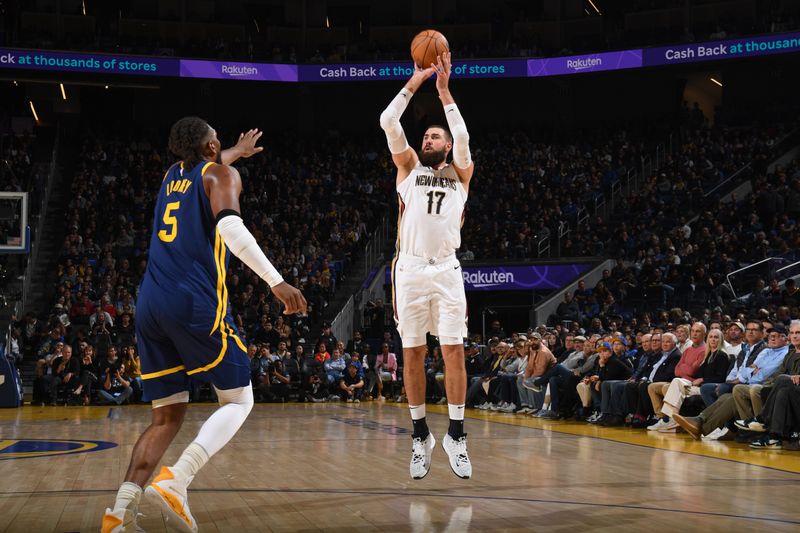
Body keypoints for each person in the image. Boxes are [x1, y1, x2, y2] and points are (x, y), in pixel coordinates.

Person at [102, 118, 307, 533]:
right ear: (210, 147)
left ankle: (118, 515)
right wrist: (277, 282)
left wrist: (234, 150)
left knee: (166, 418)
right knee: (238, 400)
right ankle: (178, 480)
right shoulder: (221, 175)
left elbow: (207, 168)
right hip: (192, 302)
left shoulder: (171, 176)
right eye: (217, 142)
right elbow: (231, 228)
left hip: (149, 304)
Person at [380, 52, 475, 480]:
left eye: (437, 137)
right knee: (413, 354)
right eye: (427, 137)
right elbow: (387, 120)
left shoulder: (461, 175)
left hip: (448, 270)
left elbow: (464, 135)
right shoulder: (408, 169)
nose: (430, 140)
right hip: (411, 271)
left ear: (448, 145)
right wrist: (415, 82)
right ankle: (421, 435)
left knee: (453, 350)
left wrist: (443, 90)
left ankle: (456, 432)